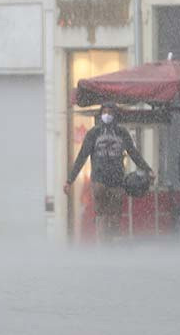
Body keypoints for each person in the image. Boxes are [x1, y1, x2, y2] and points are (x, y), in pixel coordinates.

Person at [65, 103, 154, 242]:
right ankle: (106, 241)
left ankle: (107, 241)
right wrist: (70, 180)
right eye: (105, 112)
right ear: (101, 114)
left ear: (115, 115)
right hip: (101, 180)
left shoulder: (116, 133)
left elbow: (133, 154)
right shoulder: (97, 133)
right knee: (105, 214)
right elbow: (82, 157)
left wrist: (147, 169)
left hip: (115, 180)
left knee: (110, 215)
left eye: (110, 112)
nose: (107, 115)